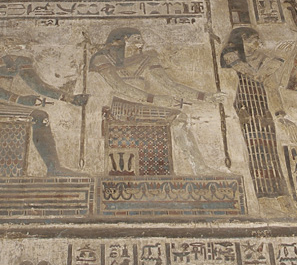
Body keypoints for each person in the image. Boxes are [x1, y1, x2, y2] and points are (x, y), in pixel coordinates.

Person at [89, 28, 224, 175]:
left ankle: (199, 167)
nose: (142, 43)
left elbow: (170, 85)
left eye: (141, 39)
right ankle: (199, 168)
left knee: (178, 116)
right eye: (136, 39)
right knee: (178, 117)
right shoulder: (102, 58)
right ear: (123, 40)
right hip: (121, 107)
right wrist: (155, 99)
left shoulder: (147, 58)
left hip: (141, 106)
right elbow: (119, 86)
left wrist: (205, 97)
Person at [0, 34, 87, 177]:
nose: (4, 48)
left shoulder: (17, 60)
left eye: (6, 44)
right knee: (39, 116)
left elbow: (38, 86)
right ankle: (53, 168)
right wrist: (20, 99)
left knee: (41, 116)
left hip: (9, 105)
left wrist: (69, 98)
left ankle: (54, 168)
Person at [220, 27, 297, 199]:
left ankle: (279, 193)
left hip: (262, 108)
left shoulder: (263, 59)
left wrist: (280, 115)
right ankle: (261, 194)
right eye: (255, 39)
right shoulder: (230, 55)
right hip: (243, 108)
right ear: (243, 39)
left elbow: (271, 87)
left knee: (270, 152)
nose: (260, 43)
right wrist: (279, 59)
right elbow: (255, 76)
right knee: (253, 151)